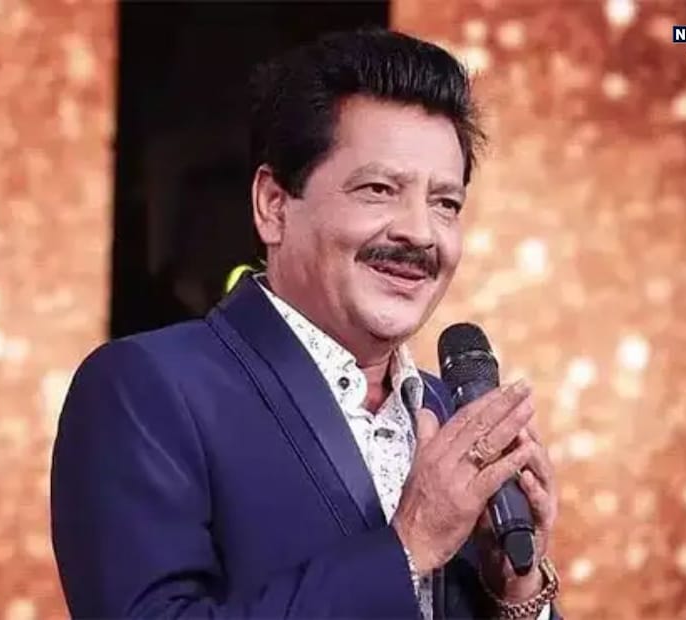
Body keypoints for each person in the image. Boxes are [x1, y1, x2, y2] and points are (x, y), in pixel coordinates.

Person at [51, 29, 561, 619]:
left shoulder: (451, 419)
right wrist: (406, 548)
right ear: (273, 205)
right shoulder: (146, 389)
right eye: (379, 189)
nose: (420, 233)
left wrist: (514, 592)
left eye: (445, 203)